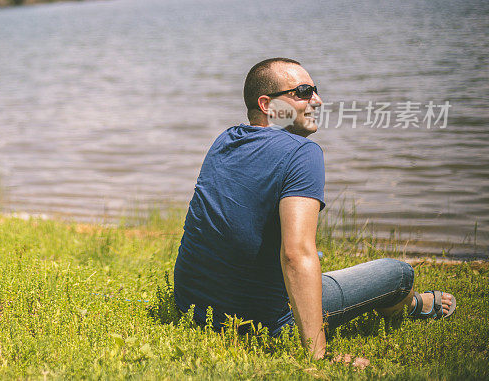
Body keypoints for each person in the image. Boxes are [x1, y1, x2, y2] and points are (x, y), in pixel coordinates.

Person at [173, 57, 455, 359]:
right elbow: (296, 255)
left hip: (194, 309)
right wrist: (317, 357)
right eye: (304, 92)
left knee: (312, 257)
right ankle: (413, 305)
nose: (318, 101)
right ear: (267, 104)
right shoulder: (302, 153)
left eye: (315, 90)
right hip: (263, 320)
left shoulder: (225, 140)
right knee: (398, 274)